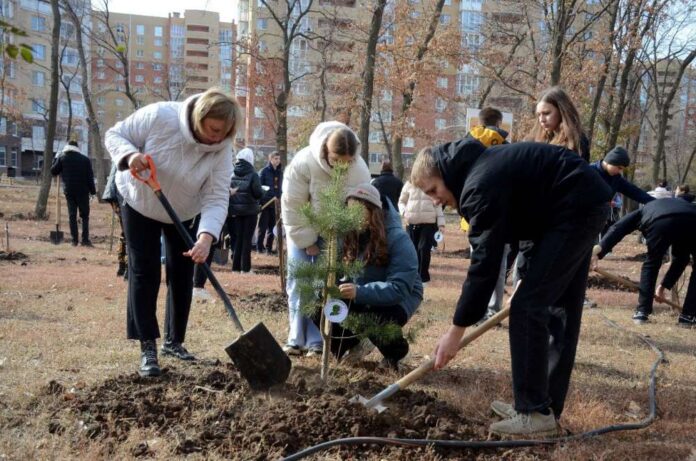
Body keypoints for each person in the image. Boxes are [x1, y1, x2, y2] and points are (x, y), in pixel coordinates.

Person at [411, 139, 611, 438]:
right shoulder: (484, 172)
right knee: (555, 306)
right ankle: (542, 408)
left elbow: (484, 264)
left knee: (529, 307)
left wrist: (457, 329)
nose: (435, 200)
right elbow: (528, 225)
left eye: (433, 190)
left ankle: (533, 411)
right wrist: (526, 276)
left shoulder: (479, 186)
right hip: (574, 206)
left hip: (576, 209)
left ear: (446, 174)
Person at [105, 88, 242, 377]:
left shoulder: (222, 148)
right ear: (199, 116)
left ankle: (174, 342)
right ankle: (148, 347)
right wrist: (130, 156)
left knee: (182, 274)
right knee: (146, 271)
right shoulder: (160, 115)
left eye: (225, 132)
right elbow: (115, 135)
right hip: (140, 199)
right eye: (214, 129)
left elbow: (217, 196)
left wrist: (206, 236)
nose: (218, 137)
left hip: (184, 210)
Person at [281, 121, 371, 357]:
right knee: (301, 283)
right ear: (326, 151)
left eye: (348, 162)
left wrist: (350, 237)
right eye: (337, 160)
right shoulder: (303, 162)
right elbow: (292, 205)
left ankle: (319, 340)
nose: (342, 166)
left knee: (325, 285)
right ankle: (296, 338)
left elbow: (361, 208)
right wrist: (306, 240)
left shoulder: (360, 170)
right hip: (303, 227)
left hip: (336, 235)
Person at [320, 184, 423, 369]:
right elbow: (329, 270)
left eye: (359, 212)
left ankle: (397, 353)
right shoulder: (346, 234)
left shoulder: (398, 239)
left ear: (373, 212)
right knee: (320, 308)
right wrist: (325, 288)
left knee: (375, 317)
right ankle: (350, 345)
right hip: (357, 292)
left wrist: (360, 292)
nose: (353, 217)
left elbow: (399, 288)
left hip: (398, 298)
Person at [595, 198, 696, 327]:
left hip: (660, 221)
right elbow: (681, 259)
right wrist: (664, 286)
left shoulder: (642, 211)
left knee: (652, 263)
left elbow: (618, 228)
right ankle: (688, 316)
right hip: (693, 220)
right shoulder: (668, 206)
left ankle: (642, 312)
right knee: (683, 259)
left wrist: (598, 253)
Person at [590, 146, 655, 237]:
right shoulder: (589, 171)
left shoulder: (616, 178)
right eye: (619, 168)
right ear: (611, 161)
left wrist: (656, 202)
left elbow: (635, 192)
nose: (620, 171)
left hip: (600, 220)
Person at [398, 180, 445, 284]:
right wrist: (404, 212)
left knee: (423, 249)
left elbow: (438, 205)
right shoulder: (408, 184)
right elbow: (401, 201)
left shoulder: (432, 184)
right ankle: (413, 277)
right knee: (412, 251)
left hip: (429, 224)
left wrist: (441, 224)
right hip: (411, 223)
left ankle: (423, 279)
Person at [50, 140, 96, 246]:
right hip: (83, 191)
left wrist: (55, 158)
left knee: (72, 215)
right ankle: (85, 240)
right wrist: (93, 191)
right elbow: (90, 177)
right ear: (77, 147)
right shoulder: (85, 160)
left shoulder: (62, 158)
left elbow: (53, 171)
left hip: (69, 191)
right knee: (84, 216)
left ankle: (74, 240)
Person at [526, 86, 589, 161]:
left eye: (546, 113)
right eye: (539, 114)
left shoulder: (577, 140)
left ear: (561, 111)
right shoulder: (538, 139)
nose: (541, 120)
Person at [228, 147, 263, 273]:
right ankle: (246, 268)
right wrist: (262, 193)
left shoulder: (233, 172)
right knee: (247, 240)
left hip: (236, 211)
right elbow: (258, 192)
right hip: (250, 211)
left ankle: (235, 268)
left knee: (237, 240)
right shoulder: (253, 174)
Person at [102, 162, 128, 278]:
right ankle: (127, 267)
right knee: (129, 234)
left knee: (125, 233)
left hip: (115, 195)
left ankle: (122, 266)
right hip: (121, 196)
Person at [257, 151, 283, 254]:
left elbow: (280, 187)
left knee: (273, 228)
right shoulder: (264, 172)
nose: (277, 161)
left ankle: (269, 248)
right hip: (266, 203)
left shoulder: (280, 172)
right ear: (270, 159)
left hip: (275, 204)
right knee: (262, 227)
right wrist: (265, 199)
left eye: (278, 159)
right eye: (275, 159)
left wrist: (279, 196)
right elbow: (260, 188)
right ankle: (259, 247)